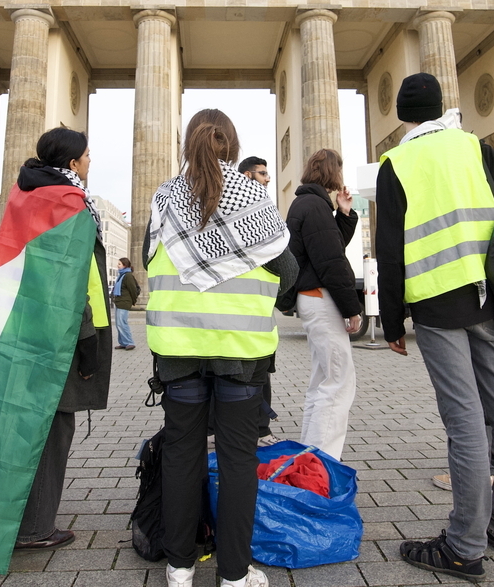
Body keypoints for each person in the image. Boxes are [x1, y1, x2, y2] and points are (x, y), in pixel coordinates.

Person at [377, 73, 494, 582]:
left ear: (402, 114)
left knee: (463, 420)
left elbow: (391, 248)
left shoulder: (397, 162)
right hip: (489, 296)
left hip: (438, 302)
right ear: (441, 108)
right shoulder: (476, 148)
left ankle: (464, 545)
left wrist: (392, 319)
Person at [146, 109, 296, 587]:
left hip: (177, 351)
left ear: (188, 143)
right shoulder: (255, 199)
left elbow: (152, 259)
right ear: (231, 145)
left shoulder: (164, 200)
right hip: (240, 355)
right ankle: (233, 574)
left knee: (181, 457)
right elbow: (288, 274)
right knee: (237, 462)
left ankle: (179, 567)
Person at [11, 127, 113, 551]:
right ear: (72, 164)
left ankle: (17, 515)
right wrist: (88, 341)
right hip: (65, 332)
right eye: (87, 156)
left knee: (31, 422)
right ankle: (34, 527)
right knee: (54, 428)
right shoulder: (68, 202)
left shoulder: (28, 194)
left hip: (28, 326)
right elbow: (68, 280)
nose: (90, 162)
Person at [285, 148, 362, 461]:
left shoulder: (306, 203)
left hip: (310, 296)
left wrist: (343, 214)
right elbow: (331, 261)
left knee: (322, 381)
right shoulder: (315, 207)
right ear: (332, 171)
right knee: (337, 382)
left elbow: (328, 248)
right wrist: (351, 308)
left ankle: (309, 455)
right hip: (320, 296)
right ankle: (322, 462)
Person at [239, 155, 280, 446]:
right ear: (246, 175)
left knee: (257, 374)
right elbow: (286, 266)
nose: (268, 179)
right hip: (248, 309)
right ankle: (257, 430)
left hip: (254, 308)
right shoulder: (252, 208)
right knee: (255, 374)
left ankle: (255, 429)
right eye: (263, 173)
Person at [111, 257, 138, 350]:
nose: (117, 266)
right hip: (118, 302)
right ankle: (123, 342)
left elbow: (133, 289)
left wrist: (133, 301)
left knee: (122, 323)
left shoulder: (128, 275)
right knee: (119, 323)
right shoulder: (121, 275)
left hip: (124, 302)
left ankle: (129, 342)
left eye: (119, 264)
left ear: (124, 265)